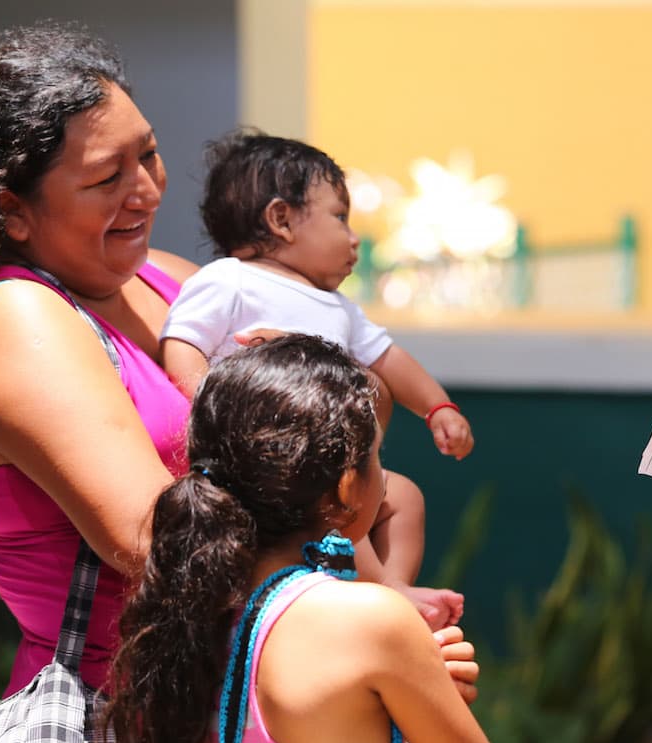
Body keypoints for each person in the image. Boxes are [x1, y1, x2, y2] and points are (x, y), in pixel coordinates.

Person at [0, 23, 200, 695]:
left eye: (149, 154)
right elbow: (154, 539)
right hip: (119, 730)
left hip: (254, 699)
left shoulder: (166, 278)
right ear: (13, 211)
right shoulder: (17, 318)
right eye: (107, 177)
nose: (148, 191)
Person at [104, 334, 512, 743]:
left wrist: (419, 686)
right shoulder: (373, 623)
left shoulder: (185, 608)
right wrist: (434, 697)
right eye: (377, 457)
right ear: (343, 488)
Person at [160, 132, 471, 628]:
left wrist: (438, 406)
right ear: (281, 220)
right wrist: (204, 396)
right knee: (341, 505)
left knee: (405, 497)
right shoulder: (230, 280)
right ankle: (383, 596)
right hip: (274, 464)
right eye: (340, 217)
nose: (354, 237)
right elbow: (182, 342)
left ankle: (392, 589)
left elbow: (389, 359)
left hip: (341, 463)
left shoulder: (339, 308)